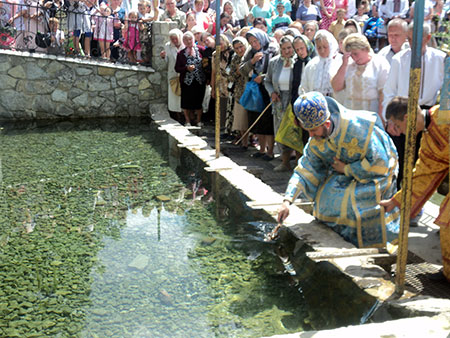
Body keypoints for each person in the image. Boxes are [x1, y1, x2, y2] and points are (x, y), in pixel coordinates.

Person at [277, 91, 400, 248]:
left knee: (352, 202)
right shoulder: (316, 139)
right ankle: (342, 240)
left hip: (376, 173)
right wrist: (287, 201)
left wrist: (347, 169)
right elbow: (305, 169)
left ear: (327, 124)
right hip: (345, 172)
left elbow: (380, 162)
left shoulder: (358, 128)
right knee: (325, 201)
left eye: (313, 130)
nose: (311, 135)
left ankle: (370, 246)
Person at [380, 97, 449, 281]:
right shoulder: (427, 139)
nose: (399, 132)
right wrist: (395, 201)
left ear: (406, 117)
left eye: (397, 126)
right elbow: (422, 176)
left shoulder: (445, 113)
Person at [382, 22, 445, 194]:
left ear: (428, 38)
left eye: (415, 39)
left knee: (422, 162)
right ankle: (397, 197)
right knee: (401, 160)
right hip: (402, 112)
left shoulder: (440, 59)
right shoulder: (399, 59)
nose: (411, 43)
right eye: (409, 39)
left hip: (427, 115)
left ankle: (416, 203)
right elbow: (389, 91)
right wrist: (390, 120)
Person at [240, 28, 279, 160]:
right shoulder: (251, 52)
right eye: (251, 42)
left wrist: (263, 77)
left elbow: (277, 69)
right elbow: (242, 69)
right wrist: (252, 62)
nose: (254, 44)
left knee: (268, 121)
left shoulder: (273, 49)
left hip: (269, 89)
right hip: (256, 90)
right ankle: (261, 149)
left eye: (256, 41)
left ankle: (270, 151)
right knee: (259, 120)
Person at [331, 33, 390, 118]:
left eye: (356, 54)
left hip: (371, 116)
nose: (354, 58)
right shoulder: (348, 64)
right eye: (351, 55)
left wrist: (381, 119)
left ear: (365, 49)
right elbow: (336, 87)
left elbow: (383, 95)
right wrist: (344, 65)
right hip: (350, 116)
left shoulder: (380, 63)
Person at [264, 35, 296, 172]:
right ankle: (285, 162)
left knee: (295, 132)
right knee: (280, 132)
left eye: (289, 48)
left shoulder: (298, 62)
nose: (287, 51)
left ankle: (298, 164)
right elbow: (267, 80)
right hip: (278, 101)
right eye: (283, 49)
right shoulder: (274, 62)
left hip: (293, 100)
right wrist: (272, 92)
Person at [175, 31, 207, 126]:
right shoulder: (181, 53)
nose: (189, 42)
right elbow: (177, 68)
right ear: (183, 41)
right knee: (186, 101)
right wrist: (186, 68)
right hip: (186, 82)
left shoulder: (201, 50)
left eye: (190, 39)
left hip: (199, 81)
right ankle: (187, 120)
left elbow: (206, 64)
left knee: (198, 101)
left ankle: (198, 120)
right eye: (186, 40)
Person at [299, 29, 342, 97]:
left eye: (325, 47)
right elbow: (304, 87)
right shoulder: (311, 65)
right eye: (319, 48)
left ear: (331, 45)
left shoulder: (340, 62)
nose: (322, 51)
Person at [291, 34, 316, 148]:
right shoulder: (297, 64)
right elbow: (295, 87)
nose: (300, 52)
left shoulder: (315, 63)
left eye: (302, 48)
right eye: (297, 49)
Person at [230, 36, 250, 148]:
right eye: (236, 48)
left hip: (252, 91)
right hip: (240, 91)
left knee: (250, 117)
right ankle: (244, 141)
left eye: (241, 47)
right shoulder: (235, 59)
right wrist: (238, 72)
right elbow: (231, 76)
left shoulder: (250, 56)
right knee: (241, 118)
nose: (239, 50)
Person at [160, 28, 184, 121]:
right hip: (172, 73)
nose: (174, 41)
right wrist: (163, 57)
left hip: (183, 73)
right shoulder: (168, 46)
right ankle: (175, 113)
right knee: (173, 94)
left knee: (183, 94)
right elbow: (167, 61)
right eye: (172, 39)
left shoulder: (184, 45)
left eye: (176, 38)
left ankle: (183, 113)